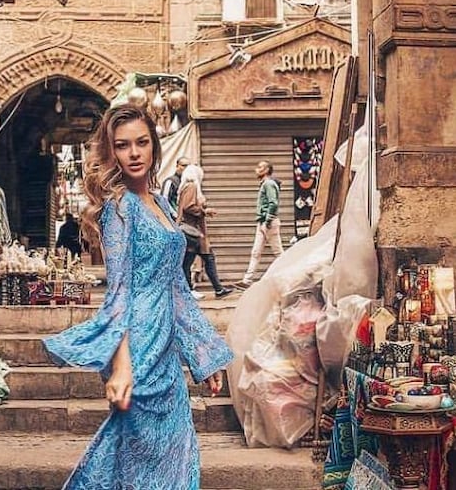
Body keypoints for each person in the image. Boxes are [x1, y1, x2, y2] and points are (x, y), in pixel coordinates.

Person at [43, 105, 232, 489]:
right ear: (111, 152)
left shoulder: (161, 204)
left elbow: (177, 289)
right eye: (123, 145)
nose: (134, 153)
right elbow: (119, 293)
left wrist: (206, 355)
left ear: (154, 146)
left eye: (142, 143)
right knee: (141, 461)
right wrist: (122, 366)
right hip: (139, 348)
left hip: (166, 353)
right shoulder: (119, 209)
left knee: (175, 454)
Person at [177, 164, 233, 299]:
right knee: (189, 262)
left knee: (206, 258)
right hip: (192, 231)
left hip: (194, 231)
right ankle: (190, 290)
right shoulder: (191, 186)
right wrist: (204, 211)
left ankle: (218, 289)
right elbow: (188, 207)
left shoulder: (186, 187)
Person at [236, 160, 283, 289]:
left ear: (266, 170)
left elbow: (273, 203)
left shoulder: (268, 184)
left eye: (260, 167)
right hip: (263, 222)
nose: (256, 169)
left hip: (268, 223)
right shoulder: (265, 184)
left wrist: (267, 221)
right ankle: (247, 280)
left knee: (278, 252)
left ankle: (289, 276)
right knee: (256, 252)